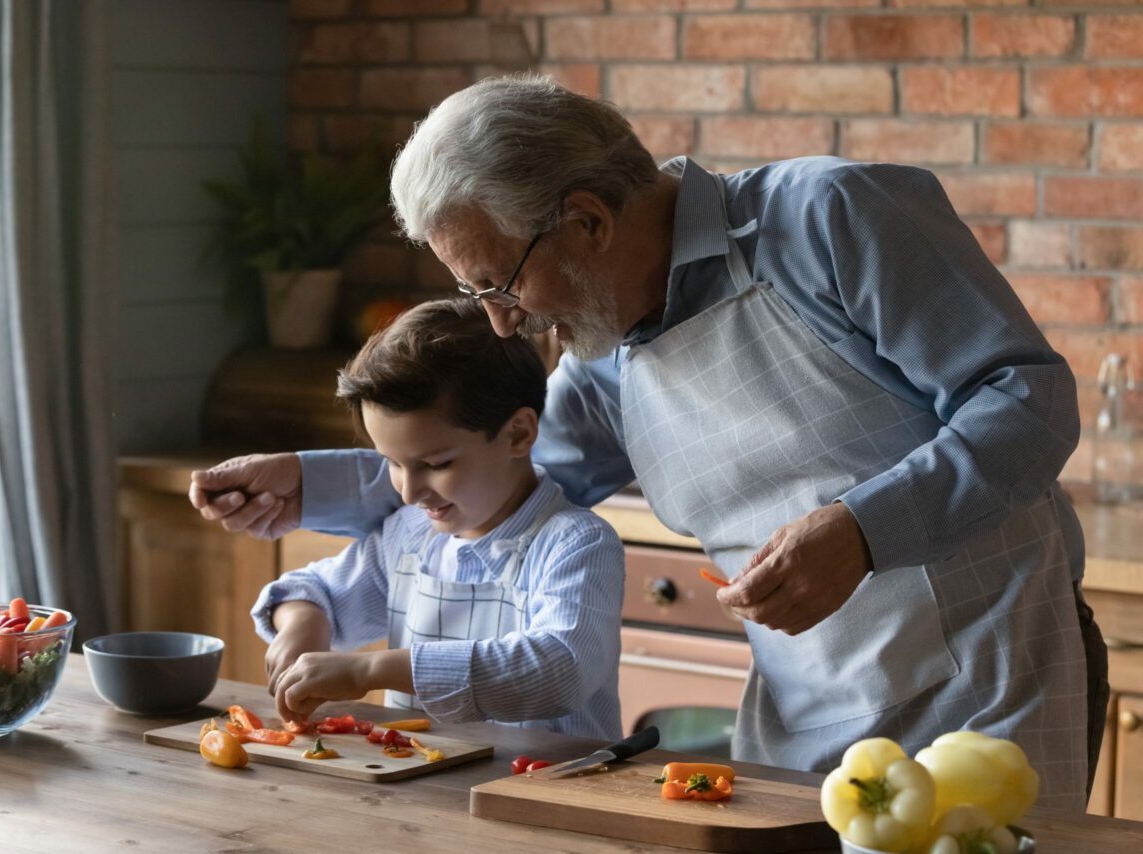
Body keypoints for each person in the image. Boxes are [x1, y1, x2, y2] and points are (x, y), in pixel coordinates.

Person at [191, 75, 1108, 810]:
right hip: (802, 714)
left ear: (587, 221)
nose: (504, 327)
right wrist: (307, 486)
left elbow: (1025, 398)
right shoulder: (601, 363)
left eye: (498, 284)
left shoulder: (830, 217)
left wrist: (862, 531)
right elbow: (500, 483)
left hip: (995, 681)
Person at [216, 298, 625, 740]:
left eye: (435, 464)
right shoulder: (412, 534)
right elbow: (314, 592)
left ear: (519, 434)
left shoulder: (577, 544)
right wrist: (303, 625)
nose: (409, 492)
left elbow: (558, 670)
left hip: (550, 795)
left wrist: (371, 669)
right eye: (392, 462)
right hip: (423, 794)